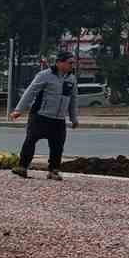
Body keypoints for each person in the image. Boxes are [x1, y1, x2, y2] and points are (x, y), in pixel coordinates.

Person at [11, 50, 80, 181]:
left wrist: (74, 118)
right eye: (70, 63)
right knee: (30, 140)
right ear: (60, 62)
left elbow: (73, 99)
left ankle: (54, 171)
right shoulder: (44, 75)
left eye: (73, 63)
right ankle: (22, 167)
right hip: (40, 116)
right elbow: (30, 92)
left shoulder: (72, 79)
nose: (72, 65)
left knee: (57, 146)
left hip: (59, 120)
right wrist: (19, 110)